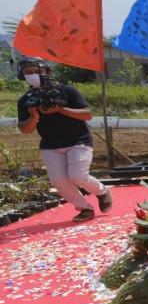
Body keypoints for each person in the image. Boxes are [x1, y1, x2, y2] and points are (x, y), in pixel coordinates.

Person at [15, 57, 111, 222]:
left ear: (46, 71)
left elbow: (87, 114)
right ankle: (84, 208)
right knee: (59, 181)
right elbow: (26, 129)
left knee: (77, 176)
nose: (32, 75)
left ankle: (102, 191)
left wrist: (60, 109)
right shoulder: (26, 100)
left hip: (78, 141)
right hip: (50, 145)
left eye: (36, 71)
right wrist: (34, 117)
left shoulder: (67, 91)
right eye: (27, 72)